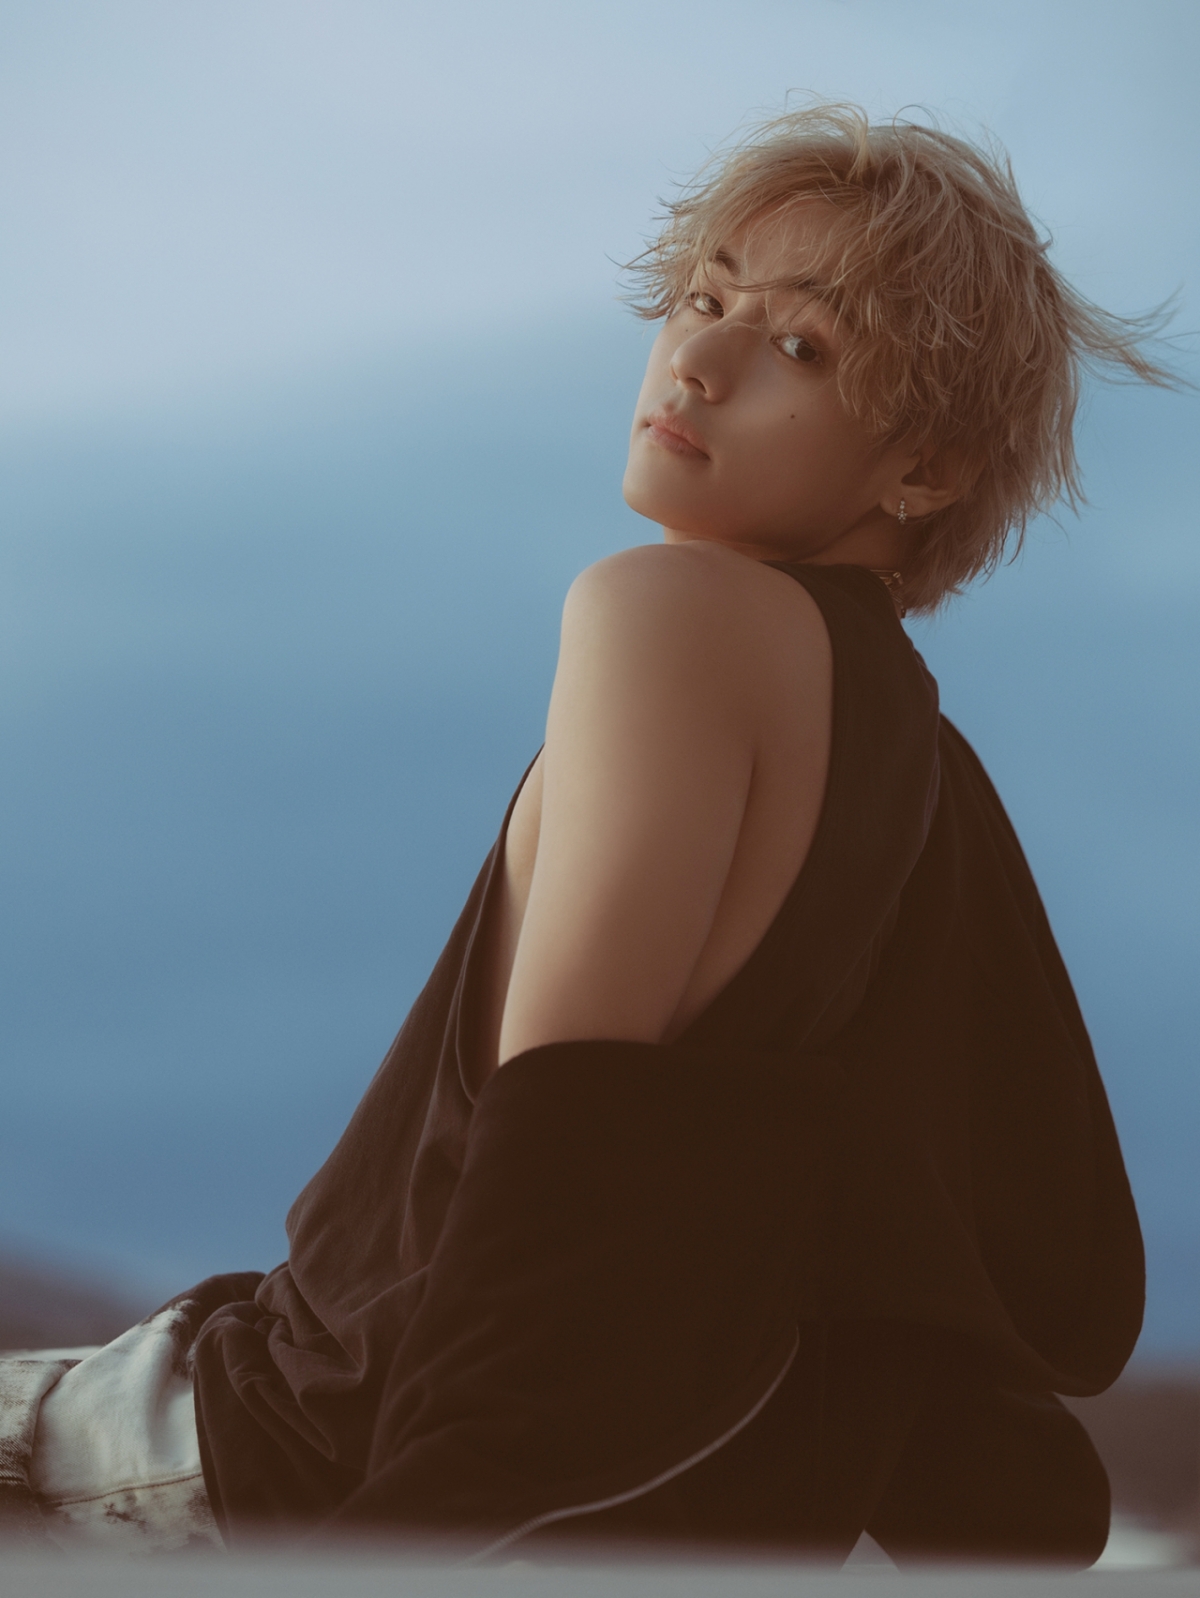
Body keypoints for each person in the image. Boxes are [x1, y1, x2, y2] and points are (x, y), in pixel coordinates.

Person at [2, 102, 1173, 1563]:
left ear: (924, 469)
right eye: (706, 297)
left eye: (801, 345)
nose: (698, 361)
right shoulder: (919, 770)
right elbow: (900, 1263)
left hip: (244, 1462)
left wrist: (410, 1549)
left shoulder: (670, 611)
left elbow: (568, 1135)